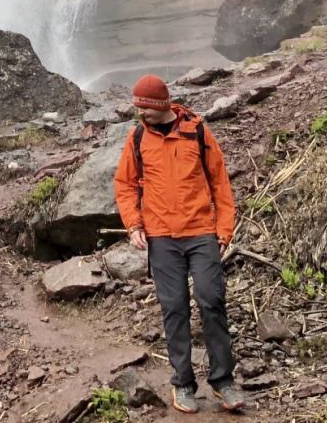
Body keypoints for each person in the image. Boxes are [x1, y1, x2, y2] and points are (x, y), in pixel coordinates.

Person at [112, 74, 247, 415]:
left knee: (211, 300)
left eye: (145, 108)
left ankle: (223, 381)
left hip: (202, 232)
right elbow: (125, 184)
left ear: (161, 105)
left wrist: (223, 229)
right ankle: (183, 383)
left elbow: (220, 183)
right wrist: (133, 225)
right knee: (174, 308)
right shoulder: (138, 137)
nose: (140, 114)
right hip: (161, 238)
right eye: (137, 108)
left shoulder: (197, 132)